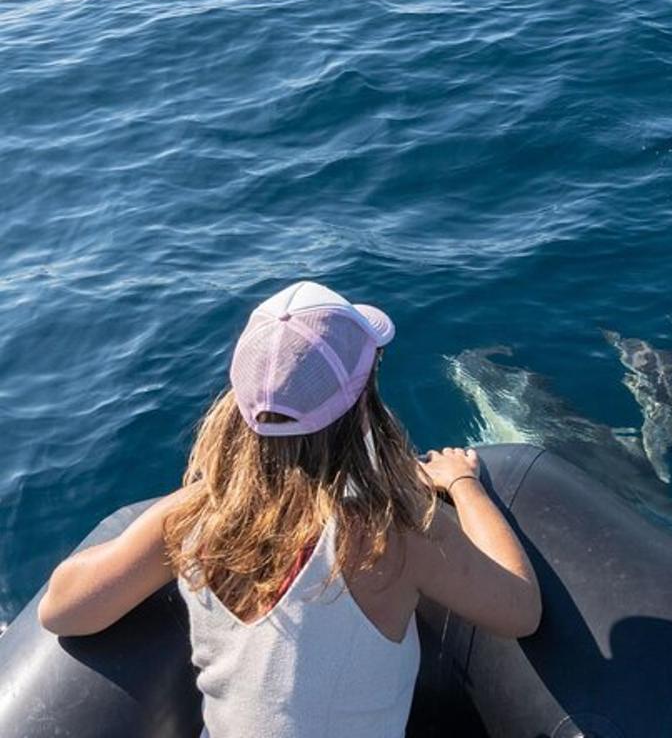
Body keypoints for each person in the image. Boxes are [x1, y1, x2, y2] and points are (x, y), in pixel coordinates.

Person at [37, 281, 541, 736]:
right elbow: (519, 611)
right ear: (364, 402)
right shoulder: (389, 531)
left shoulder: (188, 520)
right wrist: (462, 484)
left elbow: (61, 610)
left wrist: (206, 495)